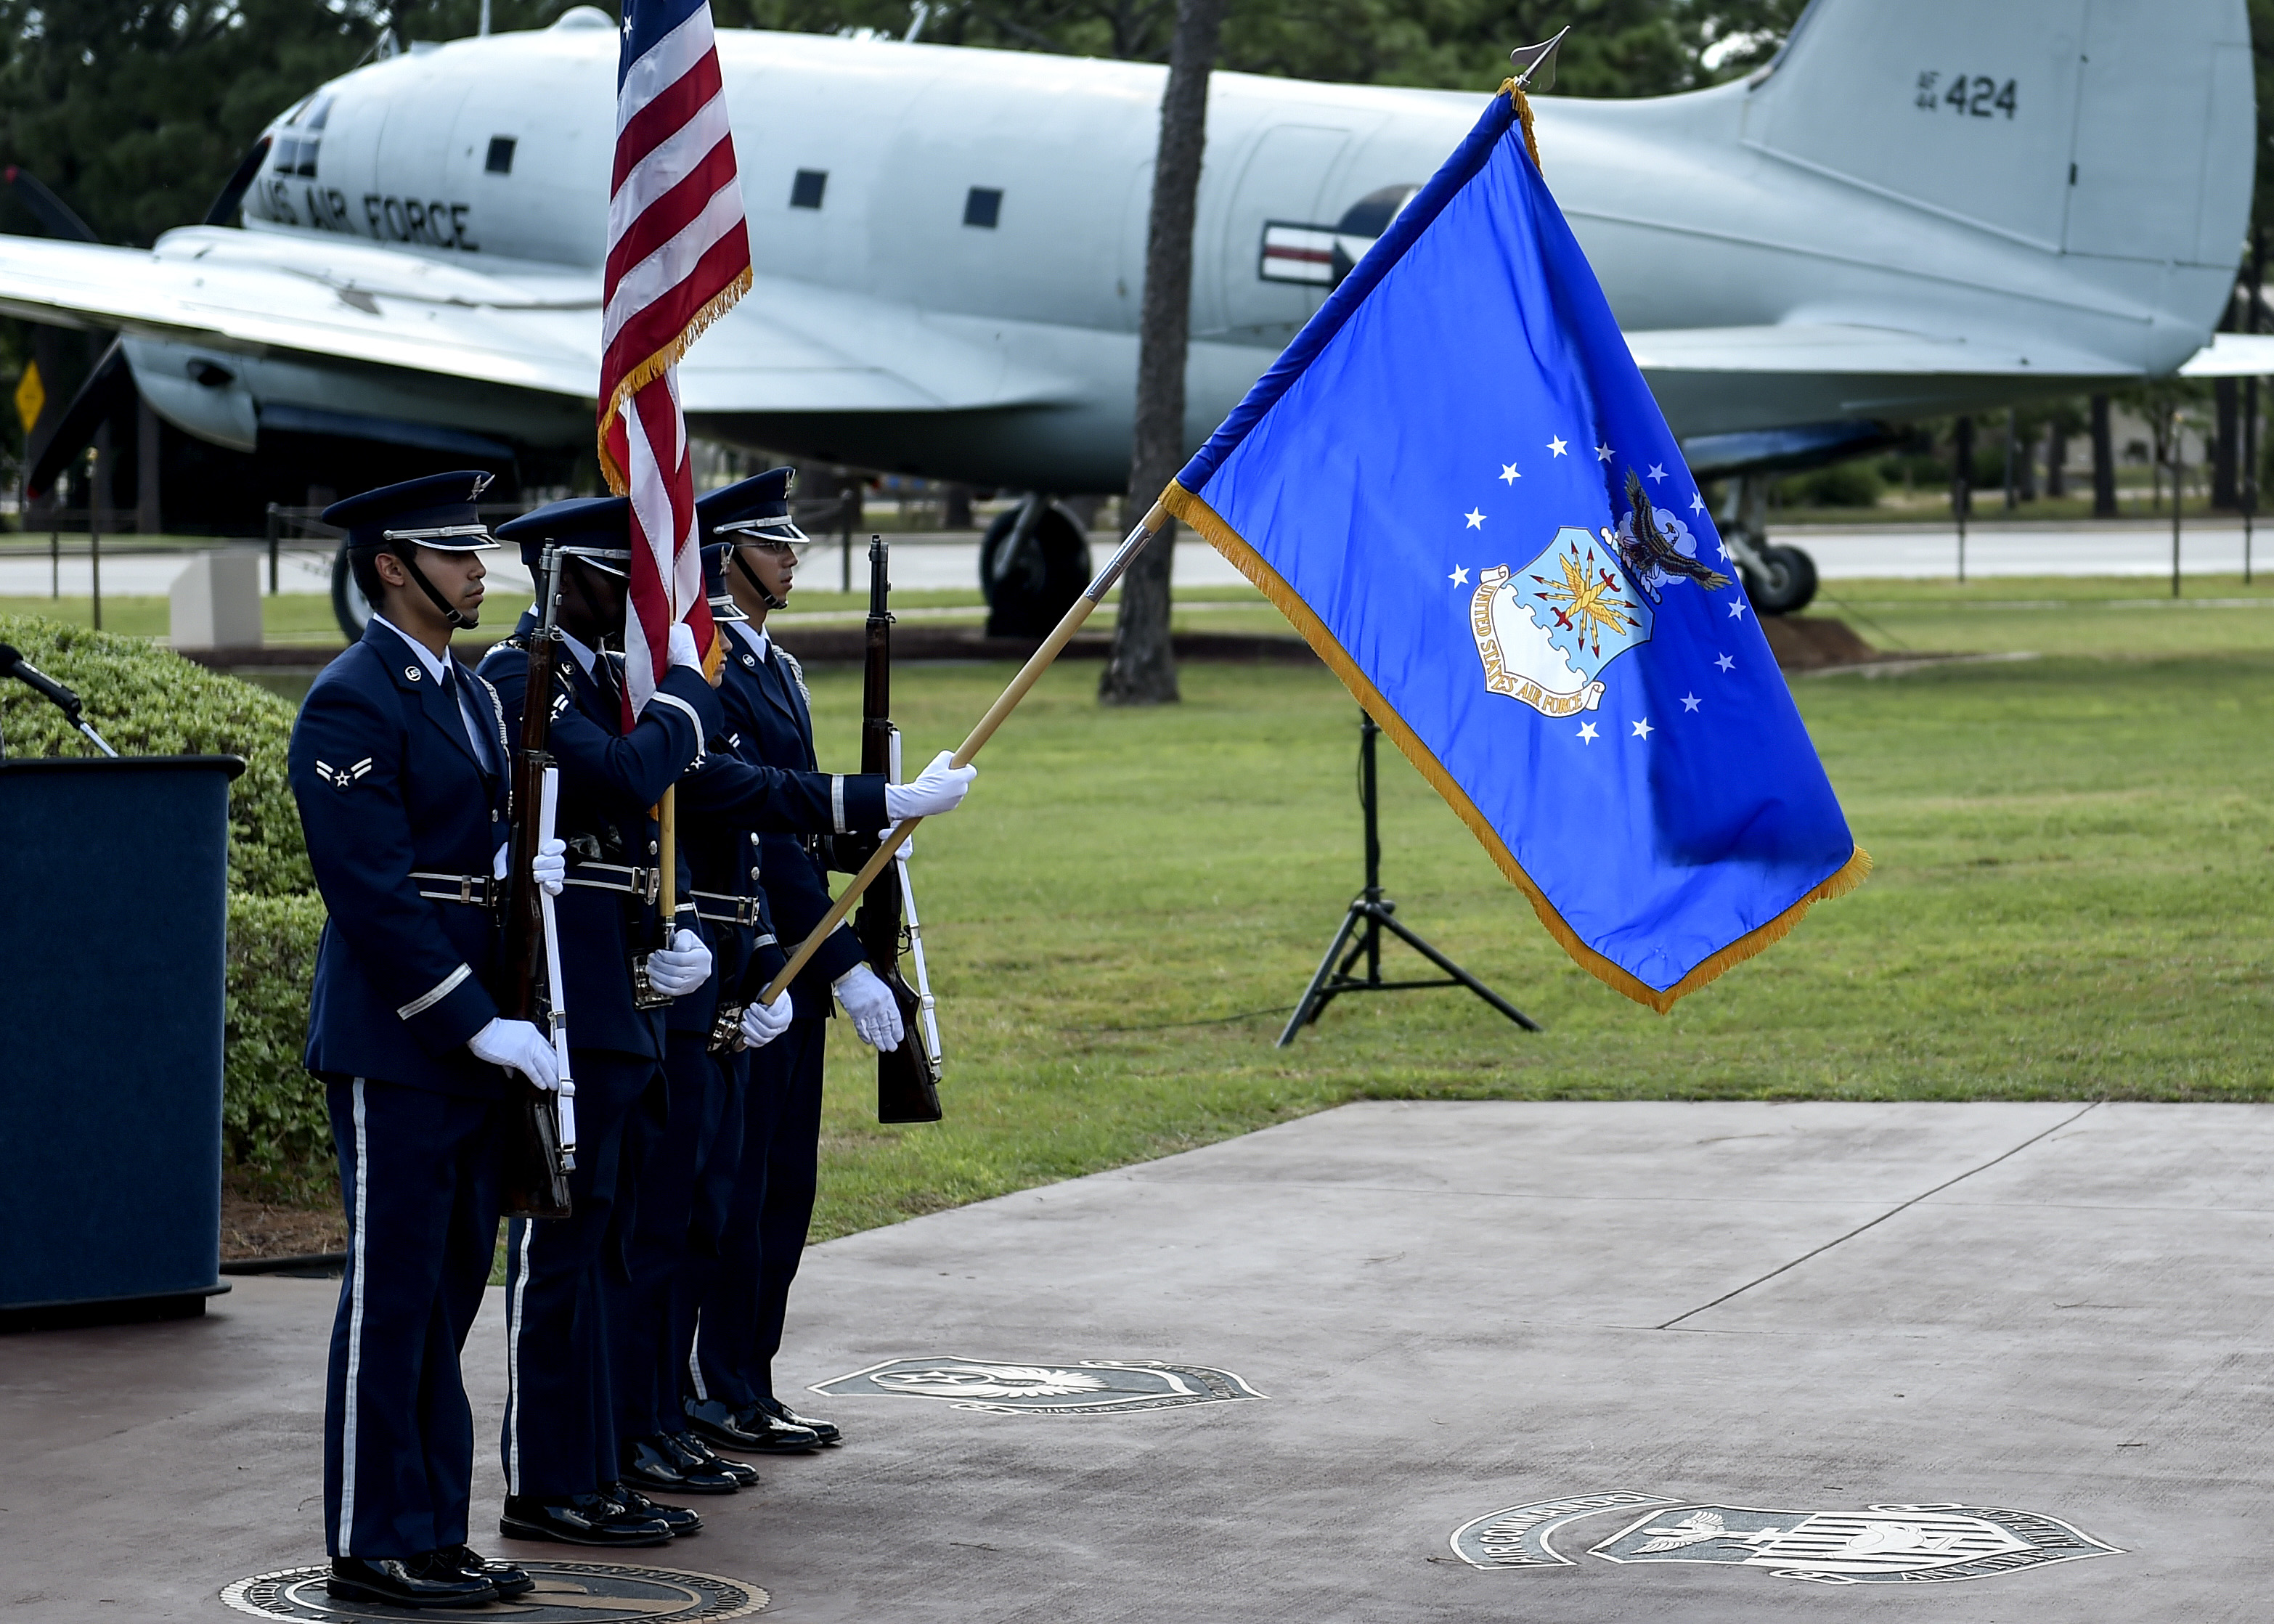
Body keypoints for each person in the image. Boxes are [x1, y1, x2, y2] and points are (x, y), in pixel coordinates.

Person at [287, 470, 564, 1610]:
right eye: (453, 554)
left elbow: (468, 856)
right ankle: (368, 1539)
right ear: (392, 566)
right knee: (394, 1291)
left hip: (471, 1039)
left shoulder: (468, 693)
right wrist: (474, 1017)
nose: (478, 567)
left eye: (477, 550)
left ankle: (434, 1529)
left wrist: (520, 883)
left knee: (448, 1294)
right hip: (399, 1039)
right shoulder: (354, 698)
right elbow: (371, 892)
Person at [684, 468, 936, 1454]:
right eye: (775, 542)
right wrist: (837, 960)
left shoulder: (776, 667)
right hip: (756, 967)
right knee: (730, 1196)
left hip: (796, 964)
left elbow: (797, 828)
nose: (793, 556)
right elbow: (755, 833)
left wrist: (873, 836)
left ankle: (749, 1378)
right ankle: (709, 1386)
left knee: (785, 1192)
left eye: (792, 542)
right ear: (727, 554)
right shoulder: (703, 667)